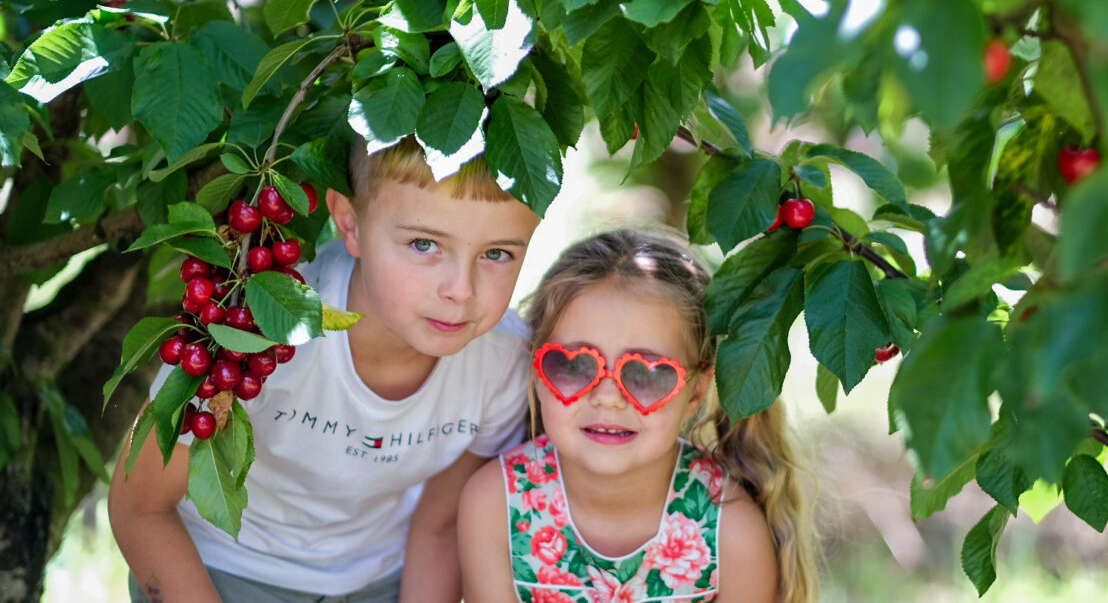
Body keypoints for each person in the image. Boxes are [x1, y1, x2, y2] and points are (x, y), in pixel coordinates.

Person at [108, 136, 544, 603]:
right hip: (222, 571)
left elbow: (438, 525)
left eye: (497, 254)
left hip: (382, 580)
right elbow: (142, 507)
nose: (461, 289)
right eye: (424, 244)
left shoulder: (501, 364)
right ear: (350, 223)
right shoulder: (259, 330)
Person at [457, 229, 820, 603]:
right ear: (537, 370)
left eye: (647, 373)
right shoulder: (495, 506)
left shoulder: (730, 532)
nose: (609, 398)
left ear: (696, 392)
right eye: (575, 365)